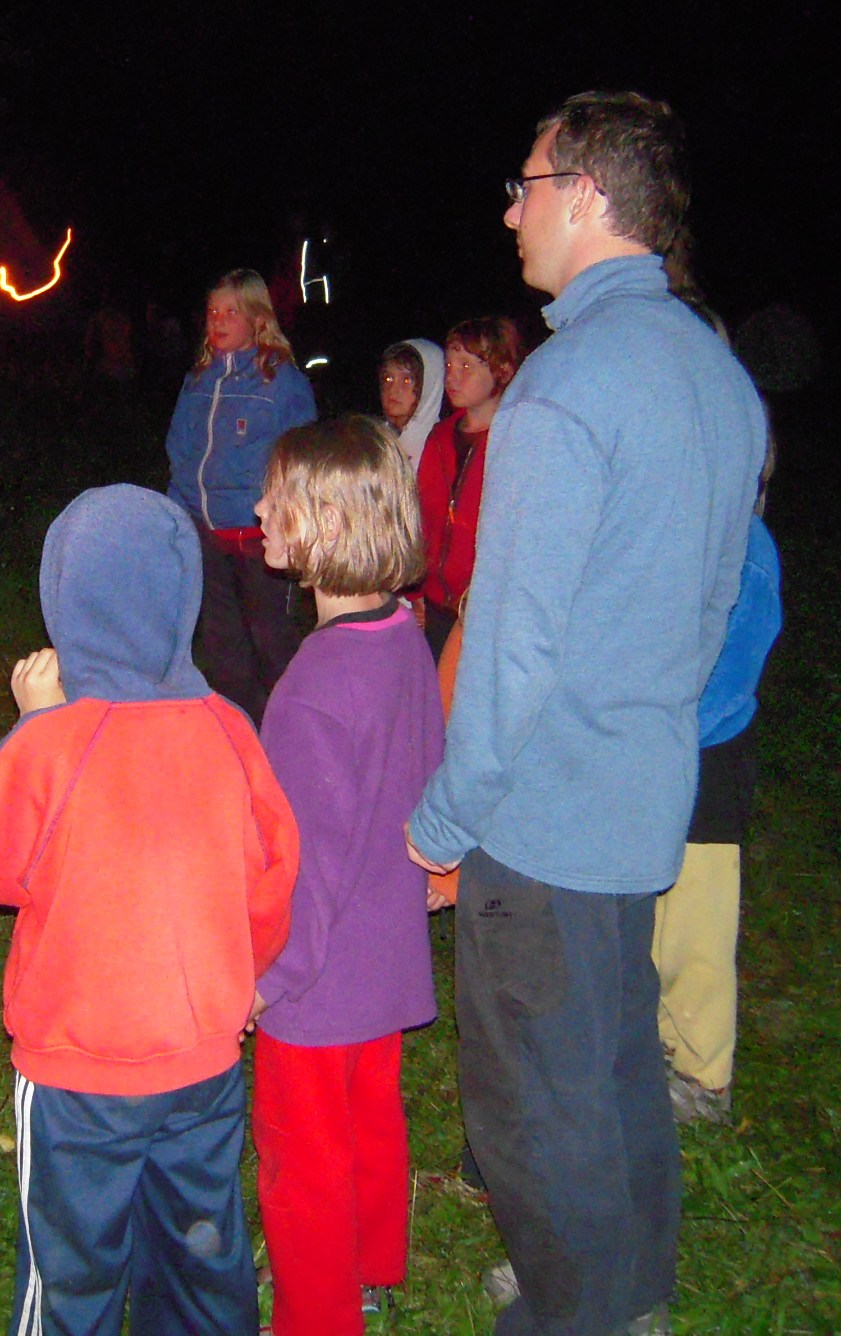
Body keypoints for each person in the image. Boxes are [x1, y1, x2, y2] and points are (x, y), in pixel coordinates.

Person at [406, 92, 767, 1335]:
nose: (513, 210)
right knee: (614, 1065)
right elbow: (711, 609)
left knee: (534, 1102)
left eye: (527, 185)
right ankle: (629, 1289)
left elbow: (510, 645)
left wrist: (444, 820)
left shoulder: (565, 389)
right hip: (642, 798)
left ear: (589, 196)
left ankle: (577, 1312)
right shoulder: (720, 378)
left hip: (546, 820)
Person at [0, 484, 299, 1336]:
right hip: (202, 1063)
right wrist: (244, 978)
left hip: (79, 1077)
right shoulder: (228, 728)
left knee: (70, 1272)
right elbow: (272, 875)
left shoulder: (56, 740)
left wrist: (27, 728)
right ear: (182, 597)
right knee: (200, 1257)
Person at [248, 417, 443, 1335]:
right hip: (385, 955)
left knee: (302, 1162)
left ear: (324, 524)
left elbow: (305, 867)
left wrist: (267, 979)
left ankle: (318, 1315)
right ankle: (371, 1263)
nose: (257, 510)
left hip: (316, 981)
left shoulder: (312, 690)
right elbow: (426, 764)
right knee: (370, 1120)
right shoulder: (401, 634)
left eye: (274, 498)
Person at [653, 446, 781, 1124]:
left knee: (696, 927)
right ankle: (657, 1042)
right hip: (664, 753)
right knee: (658, 914)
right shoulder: (692, 535)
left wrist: (661, 726)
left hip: (709, 758)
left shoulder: (749, 551)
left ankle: (703, 1076)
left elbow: (728, 677)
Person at [164, 269, 317, 724]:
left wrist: (291, 522)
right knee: (222, 642)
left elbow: (302, 458)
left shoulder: (280, 382)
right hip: (207, 535)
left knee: (271, 640)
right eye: (213, 311)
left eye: (231, 311)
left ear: (257, 317)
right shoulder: (198, 380)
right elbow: (179, 452)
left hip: (260, 538)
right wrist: (176, 519)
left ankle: (292, 727)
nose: (219, 320)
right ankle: (239, 728)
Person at [409, 318, 525, 658]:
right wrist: (417, 590)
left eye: (466, 366)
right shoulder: (440, 437)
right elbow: (423, 517)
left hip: (486, 610)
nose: (452, 377)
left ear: (503, 371)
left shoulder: (514, 441)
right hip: (437, 602)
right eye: (449, 365)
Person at [378, 339, 445, 476]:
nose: (393, 390)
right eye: (388, 378)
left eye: (407, 380)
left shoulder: (442, 451)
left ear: (429, 385)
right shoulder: (375, 442)